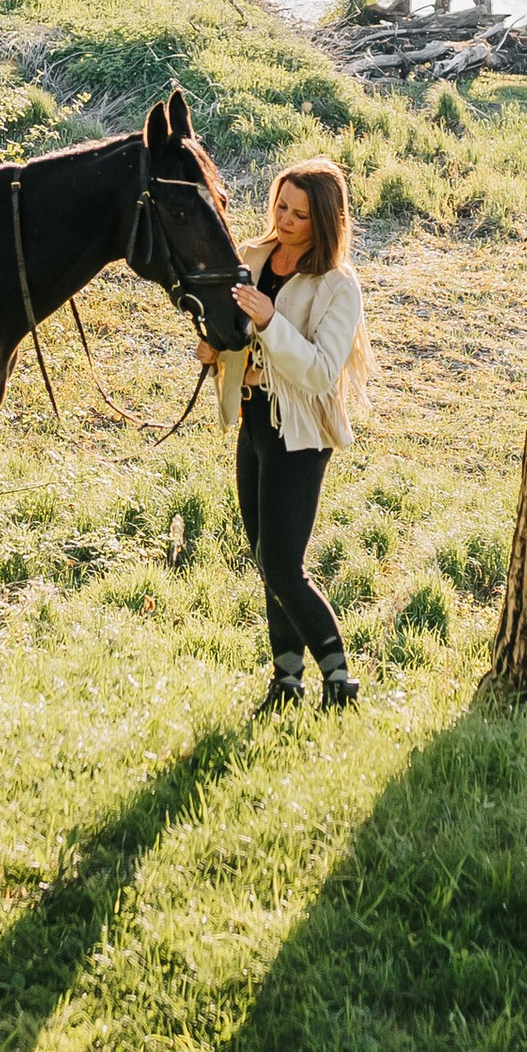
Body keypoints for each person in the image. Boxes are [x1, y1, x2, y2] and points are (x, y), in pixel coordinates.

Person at [206, 155, 372, 710]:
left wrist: (270, 319)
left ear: (324, 221)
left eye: (300, 214)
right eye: (281, 205)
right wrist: (215, 350)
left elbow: (322, 373)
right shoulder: (252, 257)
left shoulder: (337, 286)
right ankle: (286, 680)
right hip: (253, 419)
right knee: (263, 555)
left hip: (299, 433)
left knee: (283, 563)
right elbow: (234, 334)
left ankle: (339, 677)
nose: (285, 220)